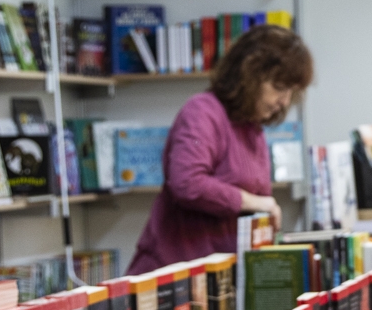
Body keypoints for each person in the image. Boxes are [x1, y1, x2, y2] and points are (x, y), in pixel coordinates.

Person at [130, 24, 312, 272]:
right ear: (250, 75)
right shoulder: (201, 112)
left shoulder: (251, 129)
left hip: (219, 277)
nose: (285, 102)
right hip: (174, 277)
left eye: (291, 92)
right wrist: (255, 202)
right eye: (279, 88)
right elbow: (187, 182)